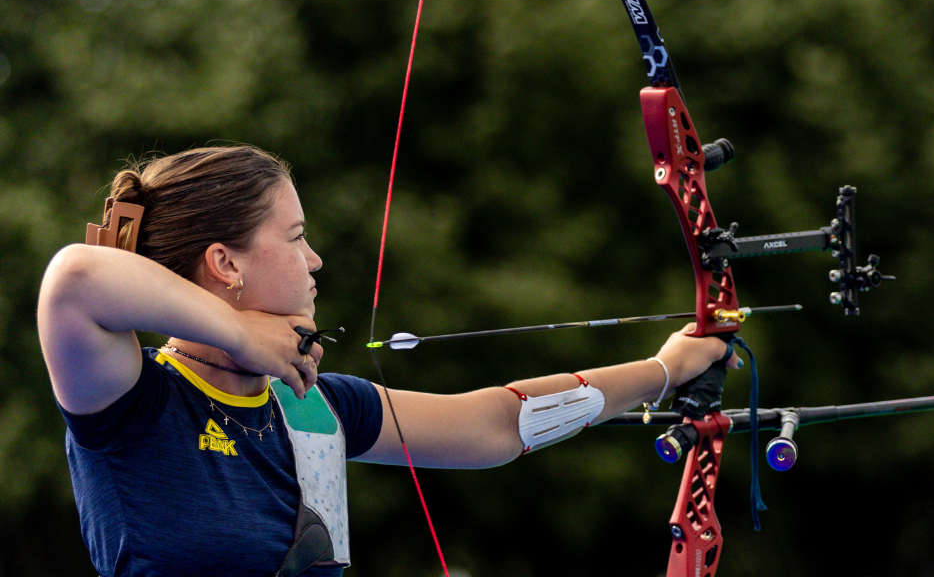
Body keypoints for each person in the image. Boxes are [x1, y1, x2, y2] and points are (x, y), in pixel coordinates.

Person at [37, 145, 739, 576]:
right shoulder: (134, 403)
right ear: (225, 263)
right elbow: (74, 279)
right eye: (296, 236)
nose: (315, 260)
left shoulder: (312, 404)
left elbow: (497, 424)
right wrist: (243, 335)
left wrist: (667, 368)